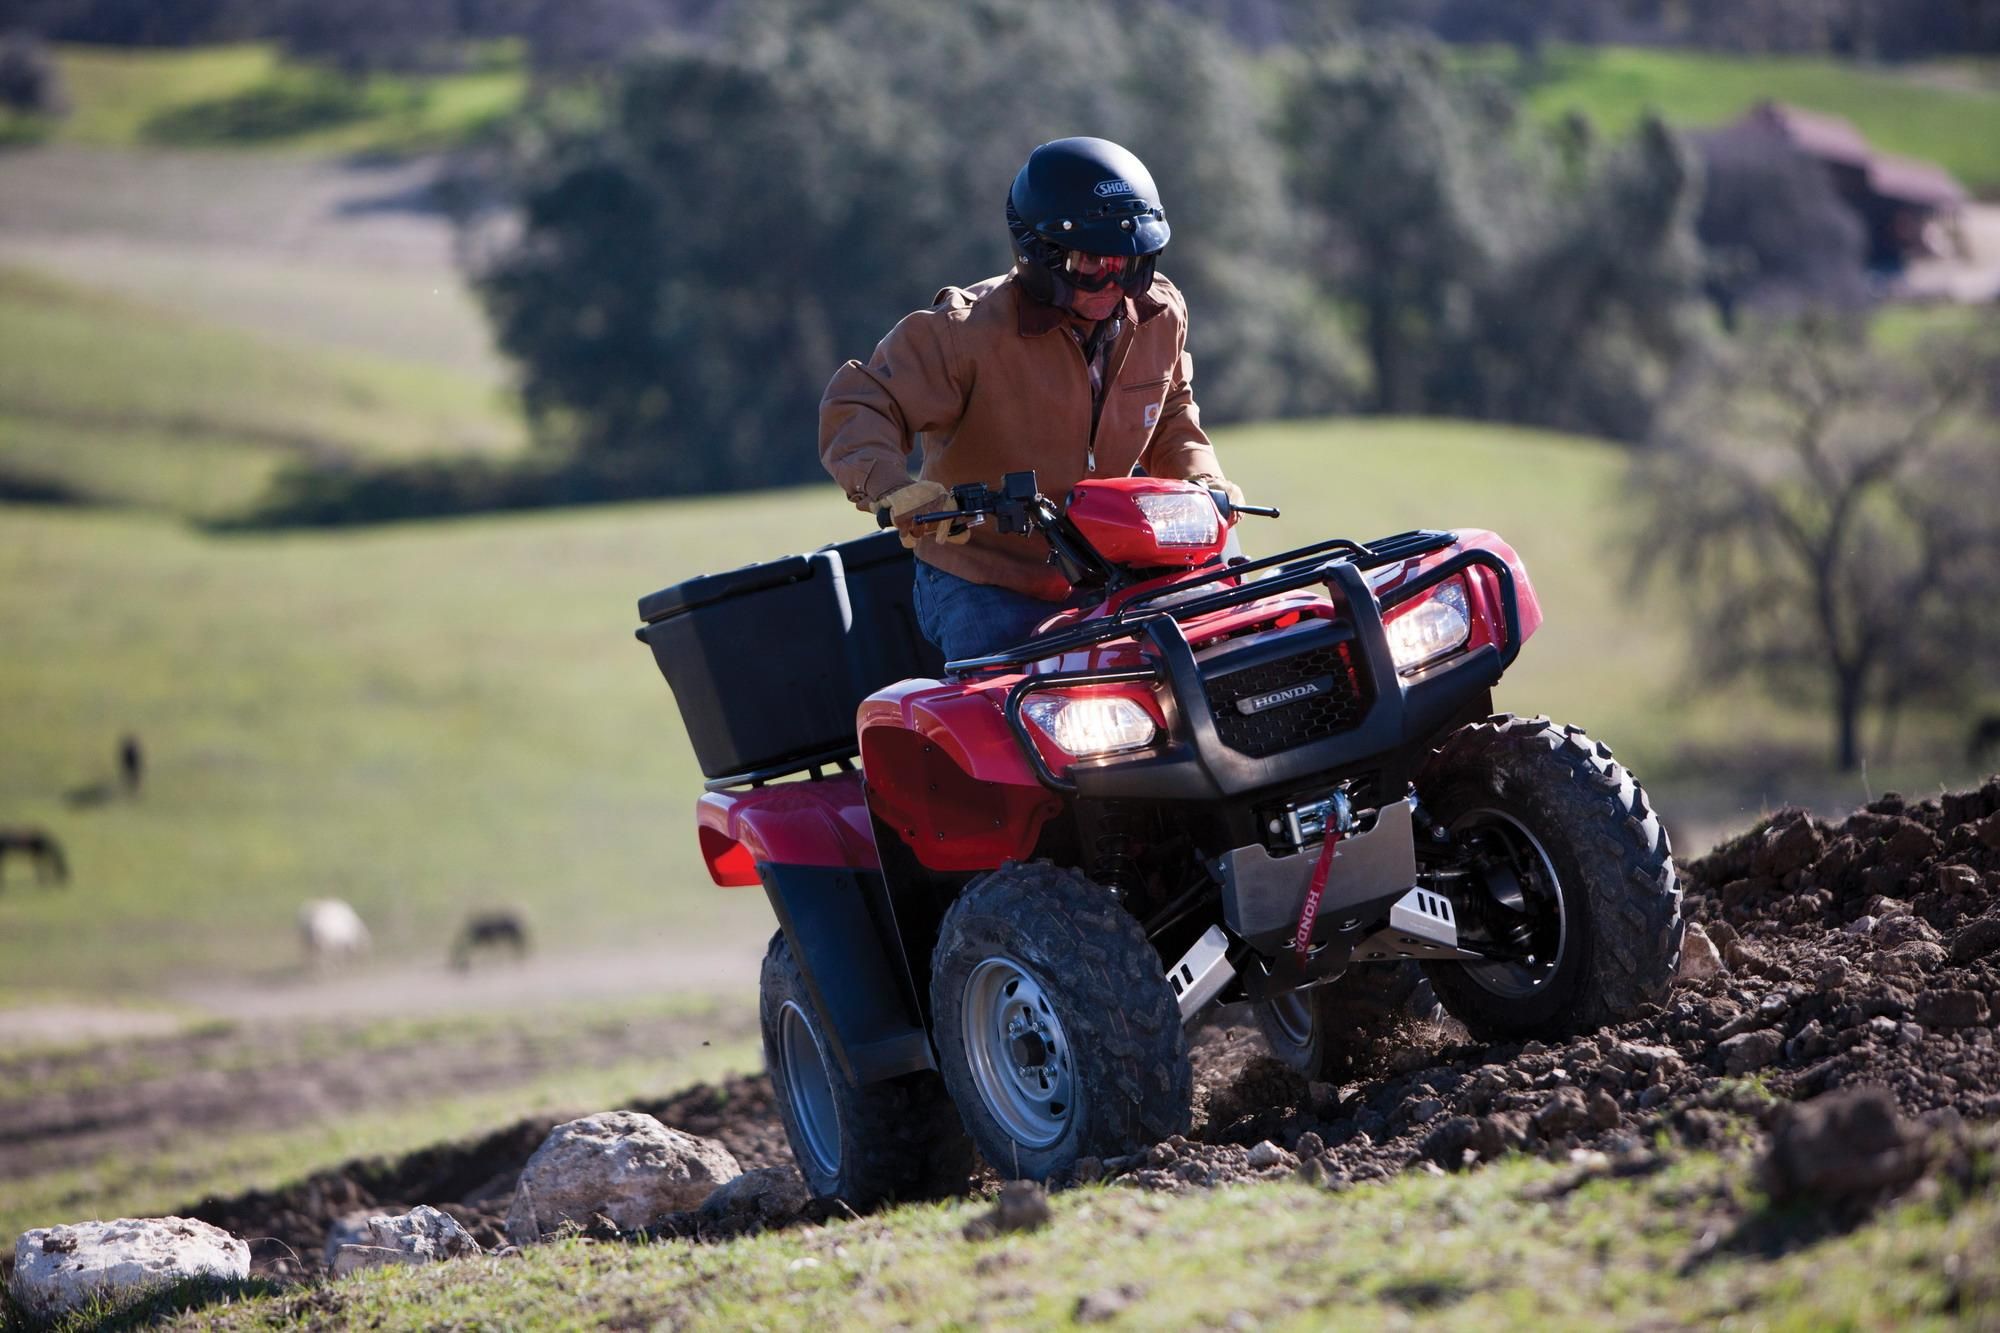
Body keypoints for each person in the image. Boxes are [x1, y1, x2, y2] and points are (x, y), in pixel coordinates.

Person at [819, 136, 1244, 662]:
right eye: (1093, 261)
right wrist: (893, 490)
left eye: (1130, 262)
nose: (1115, 282)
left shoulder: (1160, 313)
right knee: (1016, 709)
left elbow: (1172, 410)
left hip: (1122, 554)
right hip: (989, 578)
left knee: (1226, 650)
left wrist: (1202, 478)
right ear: (1038, 253)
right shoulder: (963, 332)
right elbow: (860, 405)